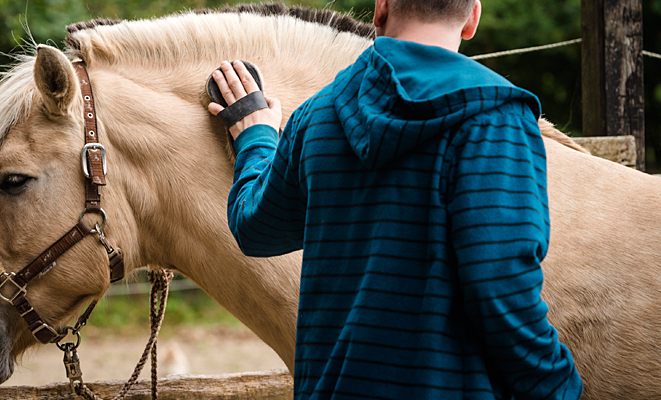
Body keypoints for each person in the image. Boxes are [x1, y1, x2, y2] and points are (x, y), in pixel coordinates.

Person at [207, 0, 583, 398]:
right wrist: (559, 387)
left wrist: (256, 135)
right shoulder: (494, 119)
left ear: (381, 8)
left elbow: (255, 229)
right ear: (472, 17)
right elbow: (501, 291)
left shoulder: (316, 117)